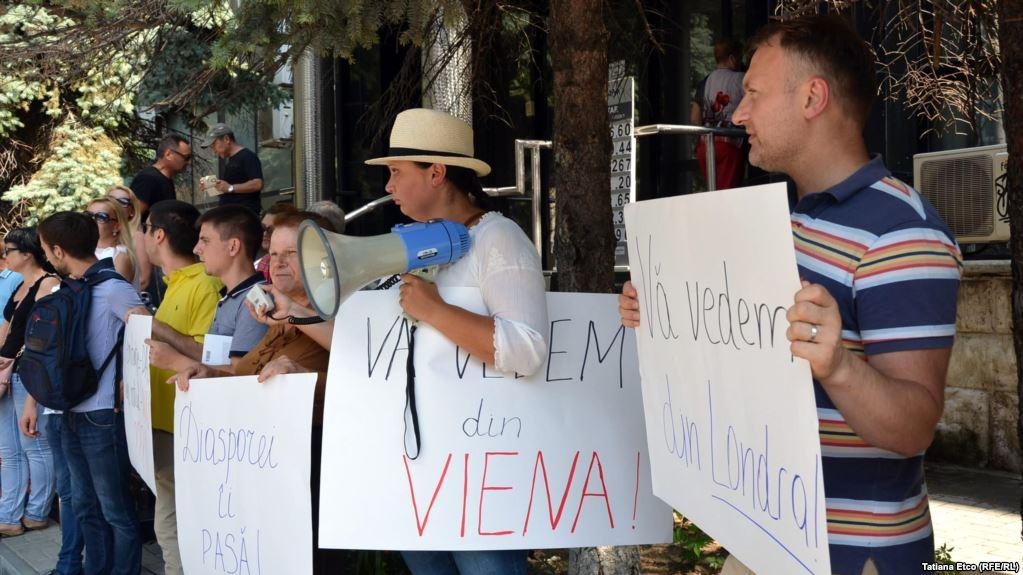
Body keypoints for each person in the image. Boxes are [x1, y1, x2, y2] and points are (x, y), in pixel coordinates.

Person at [621, 15, 961, 575]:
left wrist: (840, 367)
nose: (737, 112)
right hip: (766, 534)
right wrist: (661, 316)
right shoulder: (787, 222)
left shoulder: (903, 233)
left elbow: (913, 428)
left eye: (753, 92)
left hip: (852, 555)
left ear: (812, 98)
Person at [368, 108, 548, 575]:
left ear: (437, 172)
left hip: (478, 472)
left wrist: (435, 310)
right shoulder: (417, 243)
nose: (388, 187)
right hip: (426, 463)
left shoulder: (499, 238)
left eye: (395, 172)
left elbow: (526, 349)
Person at [38, 212, 144, 575]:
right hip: (70, 410)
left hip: (102, 414)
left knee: (115, 510)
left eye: (46, 250)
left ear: (57, 250)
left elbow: (144, 336)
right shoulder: (70, 288)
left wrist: (126, 385)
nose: (47, 258)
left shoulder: (113, 286)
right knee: (85, 505)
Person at [125, 200, 221, 575]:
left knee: (182, 529)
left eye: (144, 228)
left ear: (158, 234)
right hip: (163, 426)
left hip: (187, 430)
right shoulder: (177, 283)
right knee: (168, 530)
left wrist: (154, 325)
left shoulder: (206, 284)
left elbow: (208, 359)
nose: (141, 236)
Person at [145, 205, 268, 374]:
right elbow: (215, 360)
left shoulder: (254, 300)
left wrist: (176, 361)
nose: (196, 249)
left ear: (233, 246)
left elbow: (244, 376)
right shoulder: (231, 297)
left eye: (205, 240)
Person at [0, 228, 59, 537]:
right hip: (7, 372)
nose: (5, 255)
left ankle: (36, 512)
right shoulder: (19, 286)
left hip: (29, 373)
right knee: (9, 449)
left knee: (34, 445)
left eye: (9, 249)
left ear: (26, 253)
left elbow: (47, 337)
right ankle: (8, 515)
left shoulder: (48, 284)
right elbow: (6, 328)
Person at [690, 38, 746, 189]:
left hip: (706, 146)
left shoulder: (705, 82)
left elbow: (694, 119)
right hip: (730, 146)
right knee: (727, 195)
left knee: (713, 192)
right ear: (732, 59)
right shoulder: (740, 79)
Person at [199, 123, 264, 214]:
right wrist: (213, 186)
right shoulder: (231, 160)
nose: (213, 150)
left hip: (243, 215)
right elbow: (230, 188)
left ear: (226, 139)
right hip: (231, 215)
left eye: (214, 144)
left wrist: (230, 188)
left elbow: (257, 184)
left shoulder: (247, 156)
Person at [86, 197, 138, 285]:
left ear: (117, 226)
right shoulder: (84, 251)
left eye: (101, 217)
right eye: (88, 215)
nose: (92, 221)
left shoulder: (121, 256)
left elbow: (113, 294)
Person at [107, 186, 149, 293]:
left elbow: (143, 280)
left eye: (122, 201)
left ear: (132, 211)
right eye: (110, 199)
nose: (115, 204)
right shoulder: (97, 235)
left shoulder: (137, 236)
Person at [255, 202, 297, 281]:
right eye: (262, 228)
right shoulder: (261, 263)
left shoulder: (294, 263)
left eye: (270, 229)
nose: (264, 233)